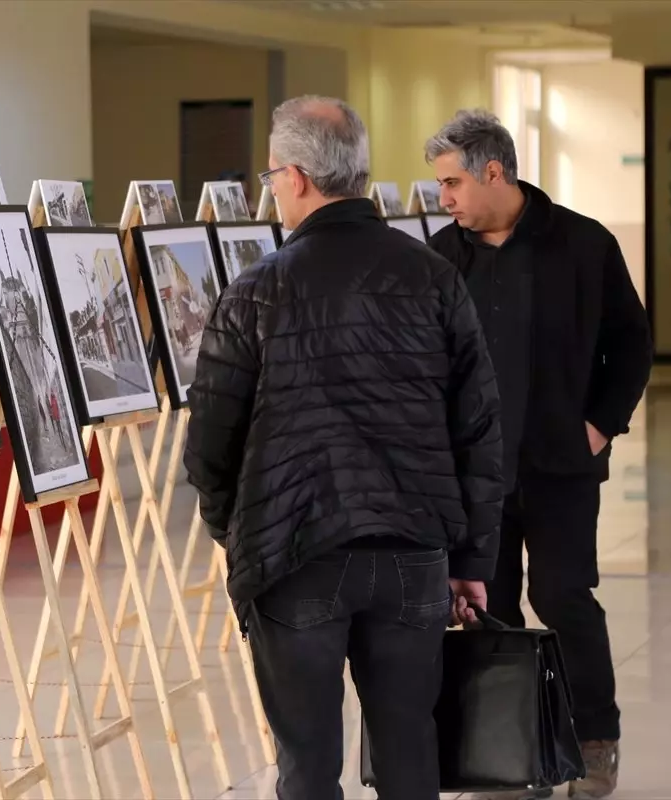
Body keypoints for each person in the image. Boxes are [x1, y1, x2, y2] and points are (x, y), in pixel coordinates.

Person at [184, 95, 505, 800]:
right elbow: (479, 429)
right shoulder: (434, 277)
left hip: (293, 555)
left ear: (296, 177)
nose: (272, 190)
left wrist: (240, 531)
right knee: (409, 752)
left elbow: (208, 443)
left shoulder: (256, 291)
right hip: (413, 554)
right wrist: (473, 557)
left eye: (270, 176)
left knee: (307, 764)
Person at [423, 110, 653, 800]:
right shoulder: (441, 255)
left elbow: (631, 342)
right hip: (475, 475)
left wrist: (600, 425)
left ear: (495, 172)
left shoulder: (583, 244)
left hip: (558, 464)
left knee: (561, 595)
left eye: (452, 182)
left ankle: (594, 739)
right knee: (487, 607)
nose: (445, 199)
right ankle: (513, 755)